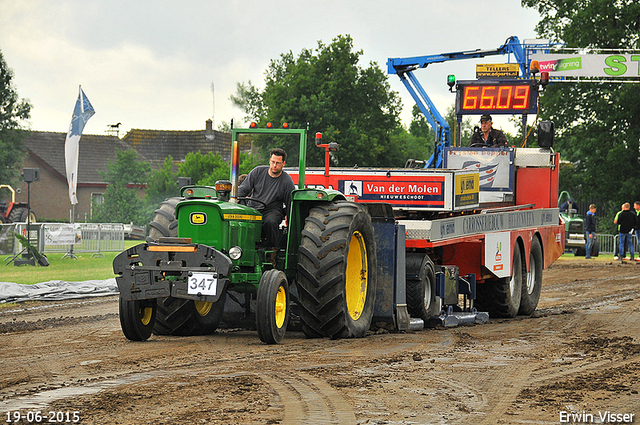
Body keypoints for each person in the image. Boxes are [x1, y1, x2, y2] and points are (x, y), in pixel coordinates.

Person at [237, 148, 295, 256]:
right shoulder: (257, 172)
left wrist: (292, 223)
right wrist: (233, 200)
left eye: (278, 163)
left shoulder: (287, 182)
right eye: (273, 162)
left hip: (272, 210)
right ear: (269, 161)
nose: (274, 165)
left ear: (283, 164)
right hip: (253, 208)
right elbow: (243, 190)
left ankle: (271, 252)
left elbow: (290, 205)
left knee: (271, 221)